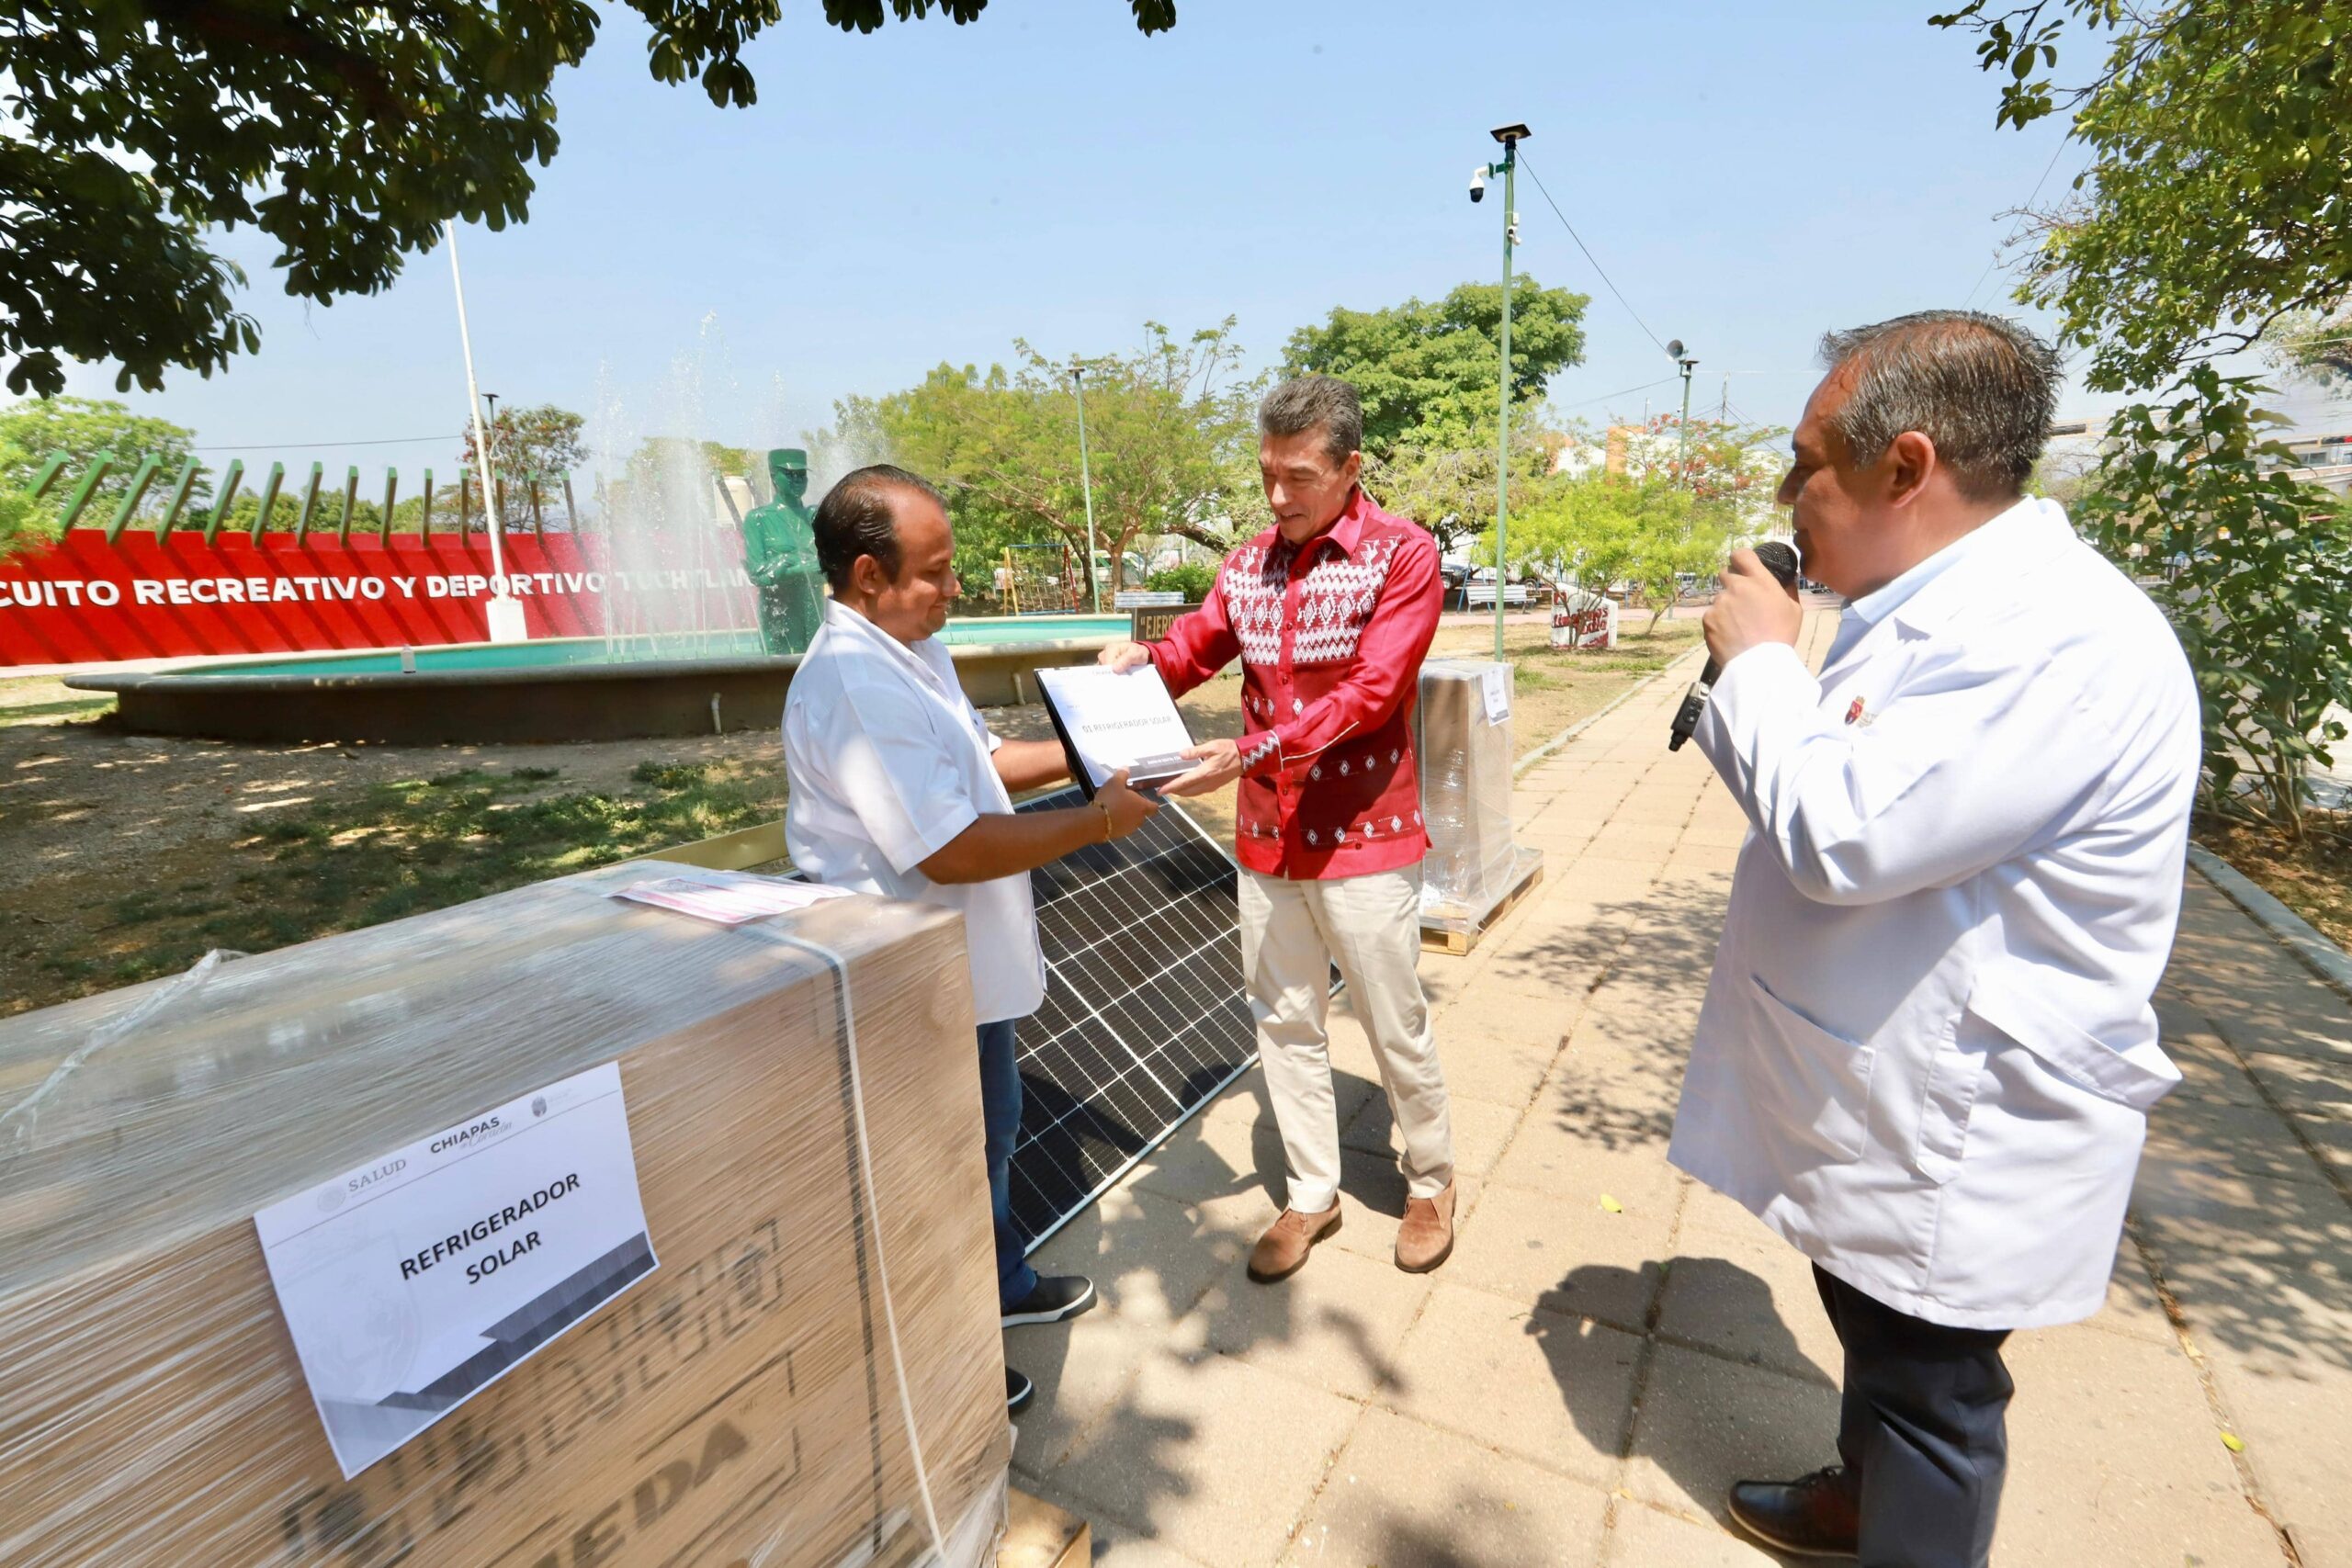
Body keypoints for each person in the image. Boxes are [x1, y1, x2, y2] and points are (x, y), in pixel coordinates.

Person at [1672, 311, 2199, 1566]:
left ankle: (1902, 1522)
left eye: (1807, 463)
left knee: (1932, 1398)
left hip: (1963, 1116)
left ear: (1904, 467)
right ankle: (1860, 1498)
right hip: (1879, 1077)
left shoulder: (2059, 638)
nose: (1787, 493)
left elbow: (1843, 831)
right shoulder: (1936, 599)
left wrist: (1757, 665)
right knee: (1875, 1329)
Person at [783, 463, 1162, 1414]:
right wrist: (1099, 820)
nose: (956, 588)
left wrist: (1105, 748)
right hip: (899, 979)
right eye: (936, 570)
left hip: (961, 967)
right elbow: (950, 848)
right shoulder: (854, 684)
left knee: (987, 1135)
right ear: (868, 575)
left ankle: (999, 1286)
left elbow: (986, 768)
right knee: (929, 1174)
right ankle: (946, 1365)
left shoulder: (911, 648)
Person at [1098, 375, 1455, 1281]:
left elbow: (1374, 693)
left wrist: (1252, 748)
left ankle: (1430, 1179)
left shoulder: (1402, 556)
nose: (1276, 495)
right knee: (1284, 1021)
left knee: (1392, 1019)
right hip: (1266, 839)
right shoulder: (1248, 563)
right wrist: (1140, 665)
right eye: (1267, 473)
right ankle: (1309, 1194)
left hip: (1365, 834)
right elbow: (1195, 645)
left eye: (1297, 476)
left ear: (1348, 469)